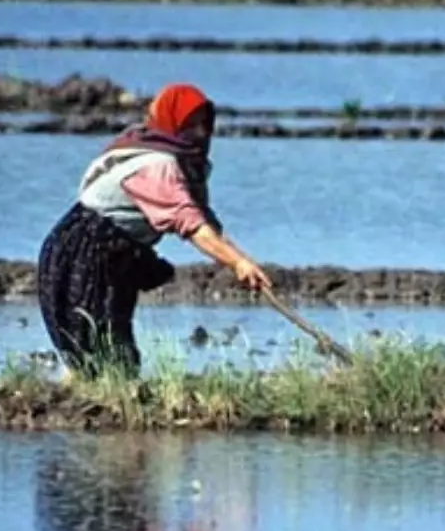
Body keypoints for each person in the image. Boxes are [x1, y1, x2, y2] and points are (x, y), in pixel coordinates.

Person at [36, 83, 273, 381]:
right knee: (95, 351)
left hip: (115, 254)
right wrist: (237, 263)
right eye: (191, 125)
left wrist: (240, 261)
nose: (200, 134)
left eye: (205, 125)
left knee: (114, 351)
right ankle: (87, 412)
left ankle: (100, 409)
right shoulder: (156, 164)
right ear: (172, 122)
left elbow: (205, 222)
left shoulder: (184, 163)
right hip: (83, 251)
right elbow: (191, 224)